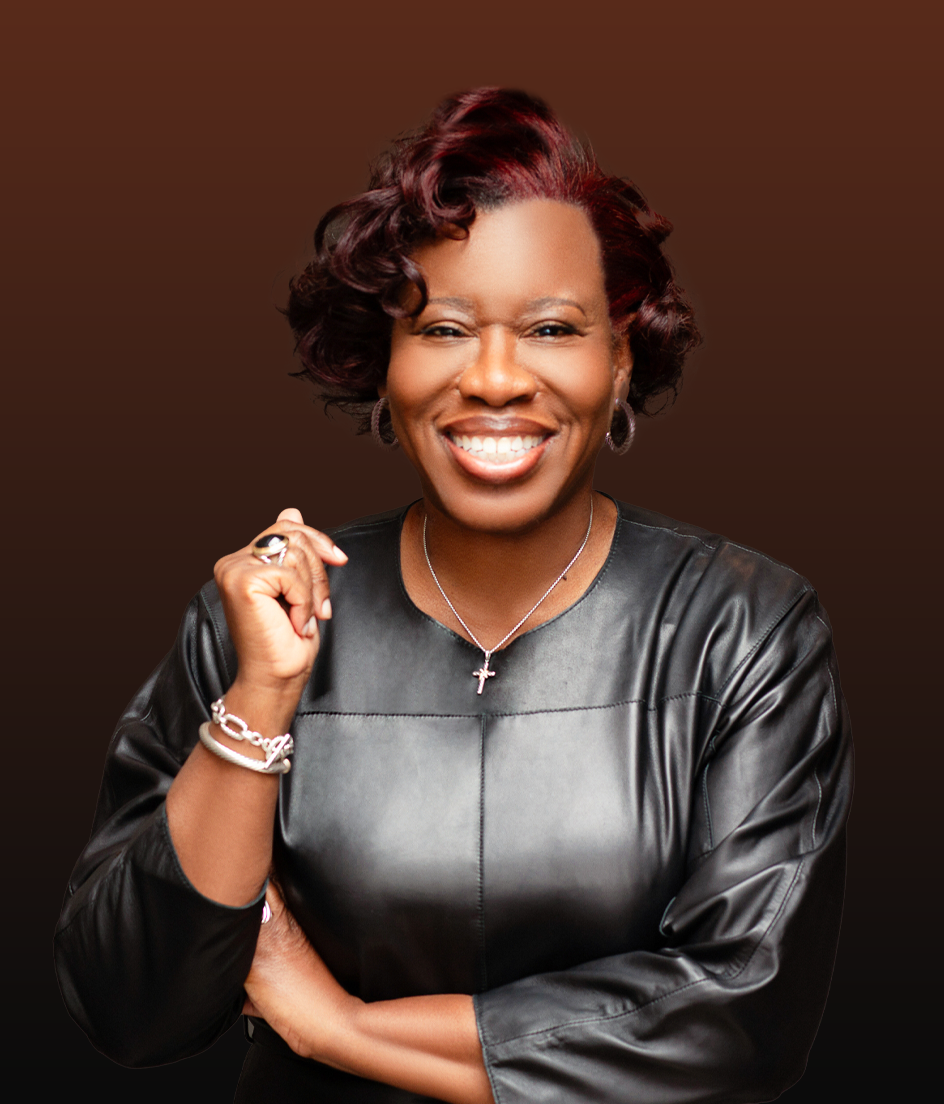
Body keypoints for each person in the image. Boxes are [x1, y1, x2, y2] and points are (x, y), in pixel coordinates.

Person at [55, 88, 852, 1104]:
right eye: (442, 329)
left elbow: (737, 1022)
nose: (494, 379)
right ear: (384, 367)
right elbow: (130, 1008)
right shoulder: (262, 618)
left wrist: (336, 1027)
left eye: (551, 327)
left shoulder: (742, 628)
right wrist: (259, 701)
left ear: (619, 360)